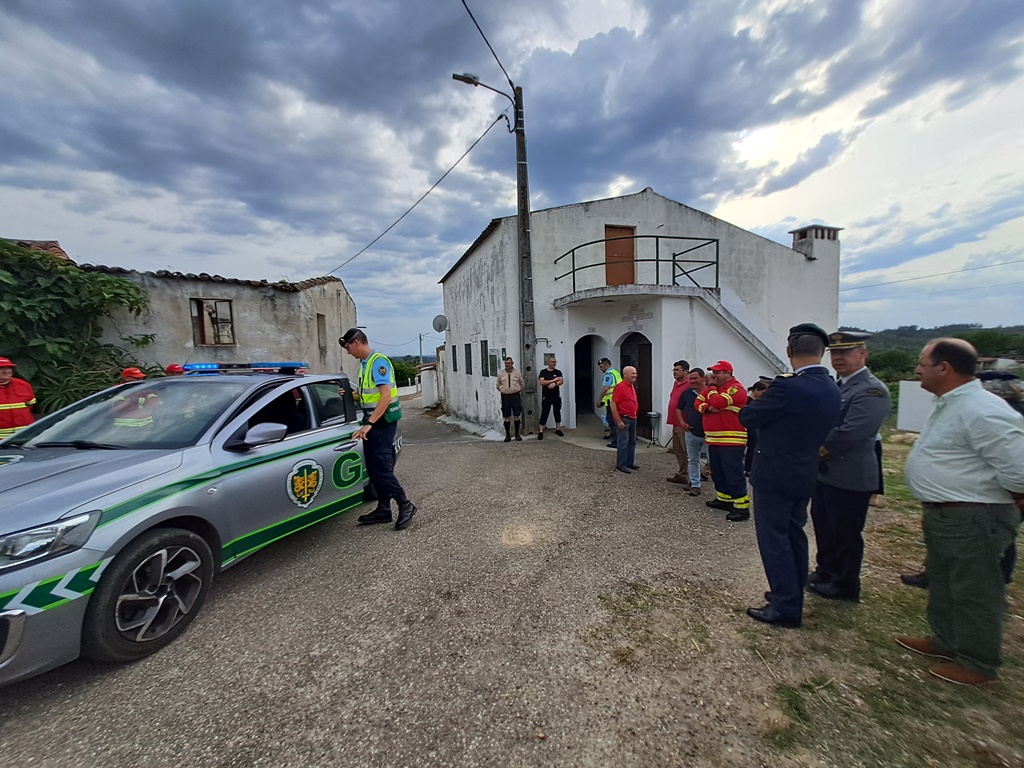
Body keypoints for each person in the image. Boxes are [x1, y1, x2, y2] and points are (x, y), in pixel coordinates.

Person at [896, 338, 1024, 686]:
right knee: (944, 581)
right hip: (948, 514)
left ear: (945, 368)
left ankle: (978, 663)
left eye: (922, 363)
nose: (917, 370)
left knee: (974, 589)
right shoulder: (951, 403)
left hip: (975, 516)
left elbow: (1018, 469)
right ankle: (945, 640)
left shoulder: (983, 409)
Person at [740, 323, 842, 628]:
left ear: (789, 350)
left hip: (775, 472)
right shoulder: (831, 387)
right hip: (805, 471)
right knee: (794, 536)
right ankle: (790, 593)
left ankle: (785, 606)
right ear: (822, 352)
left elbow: (749, 416)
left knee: (774, 540)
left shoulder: (787, 387)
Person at [808, 331, 891, 603]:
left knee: (845, 532)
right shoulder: (839, 386)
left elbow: (851, 432)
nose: (839, 358)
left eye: (846, 352)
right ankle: (826, 572)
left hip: (850, 474)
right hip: (826, 473)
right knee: (825, 527)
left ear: (863, 354)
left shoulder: (871, 390)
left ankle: (845, 585)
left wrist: (813, 452)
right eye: (835, 352)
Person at [340, 328, 417, 531]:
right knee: (374, 469)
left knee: (381, 468)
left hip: (381, 422)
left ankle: (405, 504)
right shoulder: (365, 364)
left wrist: (370, 423)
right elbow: (367, 395)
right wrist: (348, 394)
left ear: (357, 343)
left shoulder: (378, 362)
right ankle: (384, 509)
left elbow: (385, 396)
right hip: (373, 421)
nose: (348, 352)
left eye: (348, 347)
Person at [696, 361, 750, 521]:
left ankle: (741, 508)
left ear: (728, 373)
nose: (714, 376)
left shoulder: (735, 389)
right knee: (718, 473)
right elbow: (697, 403)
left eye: (717, 373)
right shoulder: (713, 390)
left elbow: (718, 402)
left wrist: (712, 390)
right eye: (713, 373)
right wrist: (707, 407)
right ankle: (724, 500)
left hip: (731, 440)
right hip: (714, 439)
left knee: (733, 474)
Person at [679, 368, 707, 496]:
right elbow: (679, 408)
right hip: (691, 432)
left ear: (703, 378)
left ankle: (722, 491)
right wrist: (682, 422)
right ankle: (695, 485)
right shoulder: (687, 393)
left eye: (695, 378)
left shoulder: (711, 393)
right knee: (693, 460)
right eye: (690, 379)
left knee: (713, 462)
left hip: (709, 434)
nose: (692, 381)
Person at [665, 360, 692, 485]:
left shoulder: (690, 383)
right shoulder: (676, 383)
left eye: (677, 370)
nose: (674, 372)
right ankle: (682, 474)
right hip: (675, 421)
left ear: (686, 371)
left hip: (684, 423)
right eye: (674, 370)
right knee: (678, 450)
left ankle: (693, 479)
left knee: (688, 451)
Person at [610, 365, 639, 474]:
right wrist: (618, 420)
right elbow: (613, 404)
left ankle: (629, 462)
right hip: (624, 418)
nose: (635, 375)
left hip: (632, 417)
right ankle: (621, 464)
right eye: (632, 373)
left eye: (635, 373)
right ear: (625, 374)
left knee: (632, 441)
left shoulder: (631, 386)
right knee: (623, 441)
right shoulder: (621, 386)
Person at [0, 356, 36, 439]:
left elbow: (30, 405)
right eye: (1, 368)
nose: (6, 371)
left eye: (9, 368)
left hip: (25, 437)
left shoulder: (23, 385)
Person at [743, 380, 771, 477]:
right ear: (756, 390)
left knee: (753, 448)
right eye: (762, 392)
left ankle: (749, 467)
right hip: (747, 427)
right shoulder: (747, 401)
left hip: (755, 428)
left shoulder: (759, 402)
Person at [496, 357, 525, 442]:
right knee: (506, 416)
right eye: (506, 363)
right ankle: (507, 435)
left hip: (515, 396)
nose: (507, 365)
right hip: (505, 396)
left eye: (508, 363)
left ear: (512, 363)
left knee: (517, 415)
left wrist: (517, 389)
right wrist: (502, 389)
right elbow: (498, 384)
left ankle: (517, 434)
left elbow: (522, 383)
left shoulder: (517, 373)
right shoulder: (501, 373)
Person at [537, 357, 565, 440]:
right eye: (552, 362)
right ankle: (541, 431)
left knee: (557, 412)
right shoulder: (543, 372)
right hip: (546, 396)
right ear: (548, 362)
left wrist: (555, 384)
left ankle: (558, 429)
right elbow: (542, 382)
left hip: (556, 395)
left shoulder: (558, 372)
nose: (554, 363)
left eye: (555, 362)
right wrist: (554, 380)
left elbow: (561, 381)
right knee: (545, 412)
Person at [598, 357, 622, 446]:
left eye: (601, 367)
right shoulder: (616, 373)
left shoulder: (609, 375)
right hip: (617, 399)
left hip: (612, 401)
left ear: (606, 365)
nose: (600, 369)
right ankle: (613, 434)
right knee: (613, 419)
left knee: (611, 420)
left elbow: (606, 389)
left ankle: (616, 441)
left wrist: (599, 400)